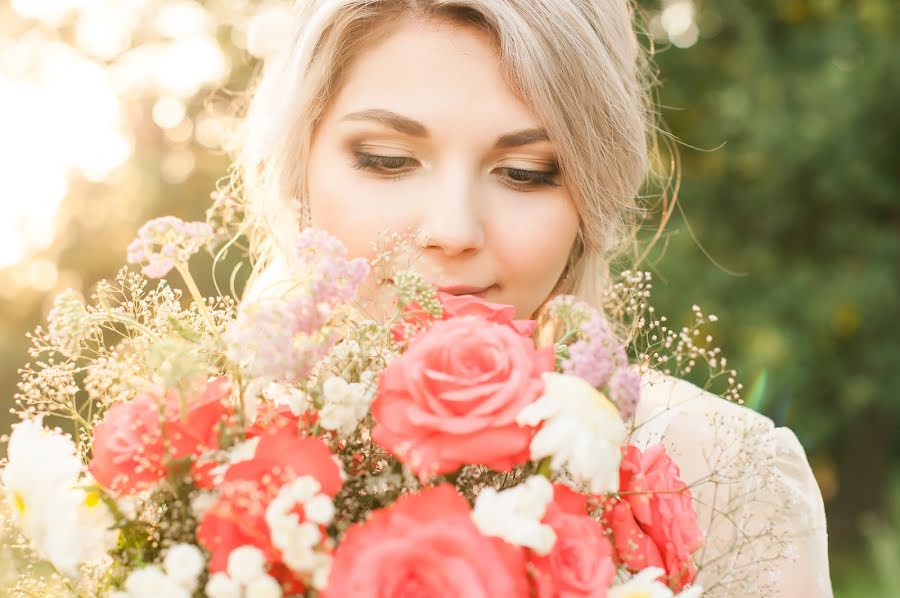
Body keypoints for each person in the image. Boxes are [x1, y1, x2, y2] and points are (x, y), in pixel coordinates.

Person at [231, 1, 833, 595]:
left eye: (526, 171)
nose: (455, 230)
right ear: (298, 163)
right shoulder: (204, 459)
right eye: (387, 161)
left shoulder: (722, 472)